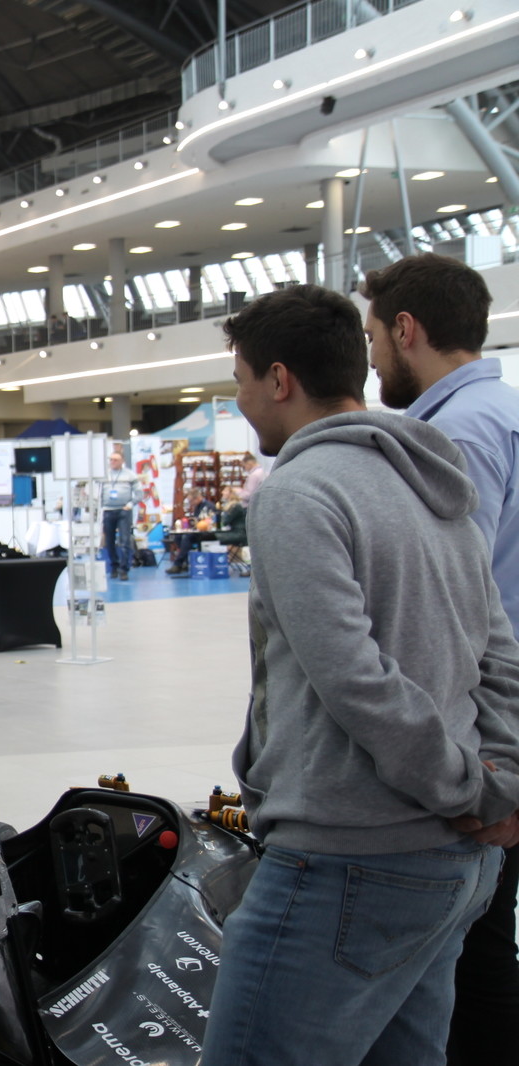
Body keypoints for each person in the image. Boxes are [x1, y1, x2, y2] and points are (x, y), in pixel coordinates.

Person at [201, 284, 519, 1065]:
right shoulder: (433, 482)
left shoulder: (298, 494)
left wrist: (467, 788)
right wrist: (502, 779)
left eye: (241, 381)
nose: (240, 401)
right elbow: (499, 654)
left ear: (280, 380)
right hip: (455, 869)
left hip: (348, 862)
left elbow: (355, 680)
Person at [362, 252, 519, 1065]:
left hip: (488, 725)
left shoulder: (451, 436)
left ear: (406, 329)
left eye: (372, 338)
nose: (371, 360)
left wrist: (474, 763)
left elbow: (455, 605)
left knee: (470, 951)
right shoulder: (506, 411)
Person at [100, 450, 140, 580]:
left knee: (125, 541)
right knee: (109, 541)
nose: (112, 462)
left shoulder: (130, 475)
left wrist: (130, 504)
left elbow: (139, 493)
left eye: (115, 459)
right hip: (108, 510)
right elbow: (96, 491)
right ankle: (114, 566)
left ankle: (124, 569)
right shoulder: (104, 475)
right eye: (111, 459)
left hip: (123, 511)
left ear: (122, 461)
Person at [163, 487, 212, 574]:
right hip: (197, 531)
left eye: (191, 501)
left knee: (187, 538)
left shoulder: (208, 506)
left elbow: (208, 521)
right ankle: (185, 562)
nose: (190, 504)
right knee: (178, 537)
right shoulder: (197, 507)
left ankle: (178, 564)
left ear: (197, 498)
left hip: (207, 533)